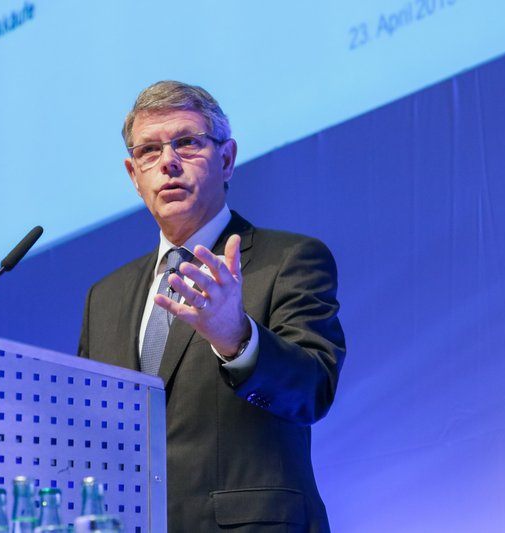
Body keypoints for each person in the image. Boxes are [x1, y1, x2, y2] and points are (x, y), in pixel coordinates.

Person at [78, 80, 346, 532]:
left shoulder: (288, 260)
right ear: (134, 175)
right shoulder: (104, 298)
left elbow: (312, 390)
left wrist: (237, 338)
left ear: (226, 159)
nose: (168, 162)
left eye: (187, 142)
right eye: (149, 151)